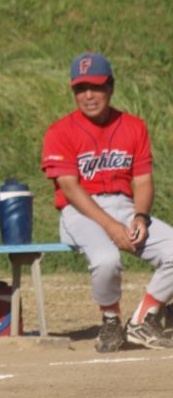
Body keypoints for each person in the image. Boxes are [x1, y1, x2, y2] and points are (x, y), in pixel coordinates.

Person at [41, 52, 173, 352]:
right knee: (106, 260)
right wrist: (112, 227)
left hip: (124, 207)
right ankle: (111, 320)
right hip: (79, 211)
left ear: (110, 87)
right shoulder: (59, 131)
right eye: (80, 88)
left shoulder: (134, 126)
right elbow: (70, 189)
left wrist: (140, 216)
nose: (88, 95)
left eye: (96, 86)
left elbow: (143, 181)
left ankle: (142, 319)